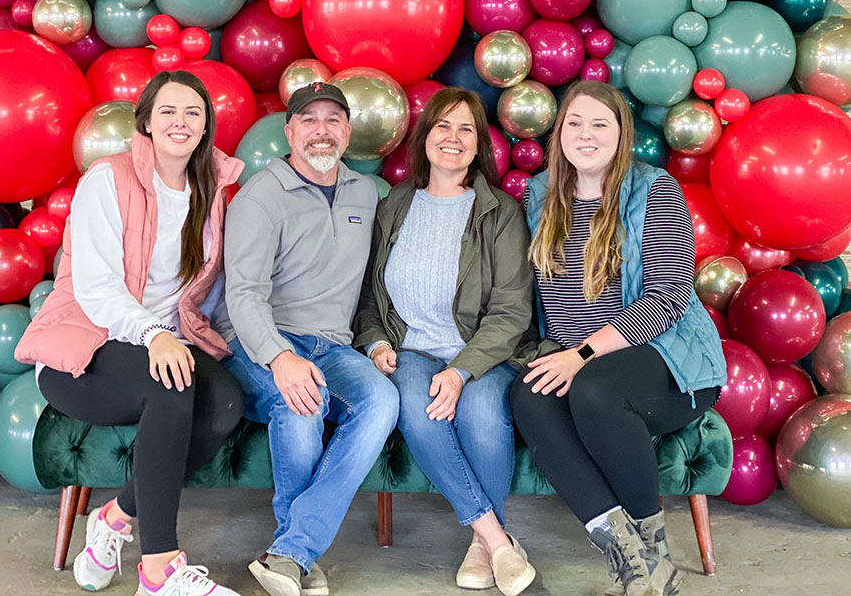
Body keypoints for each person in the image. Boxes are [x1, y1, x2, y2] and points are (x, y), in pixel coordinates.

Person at [15, 70, 245, 596]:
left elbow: (206, 288)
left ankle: (114, 519)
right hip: (85, 351)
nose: (181, 122)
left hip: (163, 345)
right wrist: (154, 336)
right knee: (172, 382)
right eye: (168, 111)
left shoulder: (210, 189)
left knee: (227, 400)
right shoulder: (108, 178)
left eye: (193, 112)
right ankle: (159, 569)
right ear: (145, 121)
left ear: (207, 124)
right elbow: (95, 287)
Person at [509, 81, 726, 596]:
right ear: (560, 132)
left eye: (599, 123)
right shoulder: (538, 195)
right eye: (575, 123)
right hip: (579, 365)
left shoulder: (655, 190)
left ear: (621, 133)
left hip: (667, 363)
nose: (586, 134)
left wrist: (582, 355)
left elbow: (669, 299)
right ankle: (633, 560)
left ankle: (655, 551)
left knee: (595, 386)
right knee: (529, 397)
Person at [213, 82, 399, 596]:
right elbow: (244, 295)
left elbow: (368, 289)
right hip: (261, 341)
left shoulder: (366, 193)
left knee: (383, 401)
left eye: (333, 119)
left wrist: (376, 340)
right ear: (290, 131)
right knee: (302, 403)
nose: (322, 130)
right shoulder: (260, 196)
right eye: (309, 120)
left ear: (347, 131)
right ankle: (295, 551)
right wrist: (279, 358)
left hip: (334, 347)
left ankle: (291, 551)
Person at [354, 88, 537, 596]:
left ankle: (483, 545)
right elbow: (368, 298)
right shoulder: (395, 204)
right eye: (442, 126)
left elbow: (511, 311)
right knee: (418, 407)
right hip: (409, 349)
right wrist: (374, 342)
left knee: (479, 412)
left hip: (481, 354)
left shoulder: (499, 212)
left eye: (466, 130)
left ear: (479, 145)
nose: (452, 139)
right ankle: (497, 541)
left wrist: (460, 370)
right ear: (425, 137)